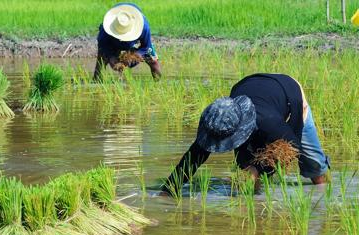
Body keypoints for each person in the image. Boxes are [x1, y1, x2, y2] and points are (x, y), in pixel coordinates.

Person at [163, 73, 330, 193]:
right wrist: (169, 189)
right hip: (252, 87)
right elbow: (193, 157)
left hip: (290, 94)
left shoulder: (270, 123)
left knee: (314, 166)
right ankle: (255, 201)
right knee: (246, 162)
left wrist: (257, 169)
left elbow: (293, 147)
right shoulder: (218, 121)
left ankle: (322, 195)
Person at [93, 3, 162, 81]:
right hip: (112, 41)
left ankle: (158, 83)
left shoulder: (143, 27)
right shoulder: (105, 30)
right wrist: (111, 57)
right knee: (101, 61)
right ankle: (96, 80)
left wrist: (135, 56)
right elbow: (103, 46)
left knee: (154, 62)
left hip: (133, 42)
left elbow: (146, 47)